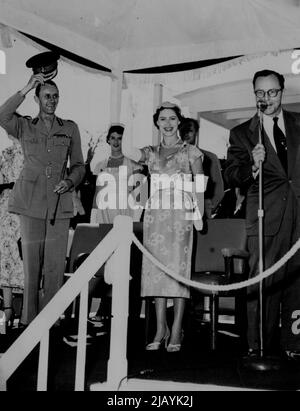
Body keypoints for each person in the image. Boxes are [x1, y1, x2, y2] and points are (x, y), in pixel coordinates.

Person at [224, 69, 300, 359]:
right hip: (265, 214)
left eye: (272, 92)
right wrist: (252, 167)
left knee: (297, 281)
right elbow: (231, 175)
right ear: (254, 94)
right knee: (263, 281)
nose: (266, 98)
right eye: (260, 93)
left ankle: (295, 344)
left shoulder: (298, 122)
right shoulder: (242, 133)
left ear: (282, 91)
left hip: (299, 213)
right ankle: (259, 346)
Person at [0, 73, 85, 327]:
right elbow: (2, 115)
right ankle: (29, 323)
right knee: (31, 269)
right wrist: (26, 87)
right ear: (37, 99)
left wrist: (70, 181)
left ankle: (51, 323)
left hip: (59, 204)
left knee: (54, 267)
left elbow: (79, 165)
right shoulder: (24, 125)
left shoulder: (69, 128)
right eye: (46, 96)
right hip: (30, 202)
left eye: (55, 96)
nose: (52, 100)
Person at [123, 101, 204, 352]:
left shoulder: (192, 152)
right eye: (162, 119)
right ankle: (160, 328)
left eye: (172, 119)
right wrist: (128, 115)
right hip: (155, 215)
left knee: (178, 273)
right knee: (156, 271)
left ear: (179, 122)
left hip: (181, 215)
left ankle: (177, 327)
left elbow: (199, 183)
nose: (167, 124)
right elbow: (128, 150)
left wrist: (198, 213)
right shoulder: (150, 152)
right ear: (157, 123)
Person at [90, 123, 144, 224]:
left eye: (120, 138)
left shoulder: (134, 165)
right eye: (113, 138)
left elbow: (139, 195)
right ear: (108, 140)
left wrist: (136, 219)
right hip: (103, 213)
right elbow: (97, 194)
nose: (116, 142)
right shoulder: (100, 165)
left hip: (124, 213)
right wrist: (93, 216)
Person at [0, 136, 24, 332]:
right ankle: (8, 309)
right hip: (6, 206)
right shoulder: (5, 153)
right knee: (5, 255)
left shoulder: (34, 151)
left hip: (26, 204)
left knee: (24, 256)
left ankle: (25, 311)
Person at [178, 118, 224, 218]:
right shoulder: (173, 157)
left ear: (196, 132)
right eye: (183, 130)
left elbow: (219, 187)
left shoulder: (210, 157)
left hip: (202, 209)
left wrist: (210, 206)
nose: (186, 134)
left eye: (190, 131)